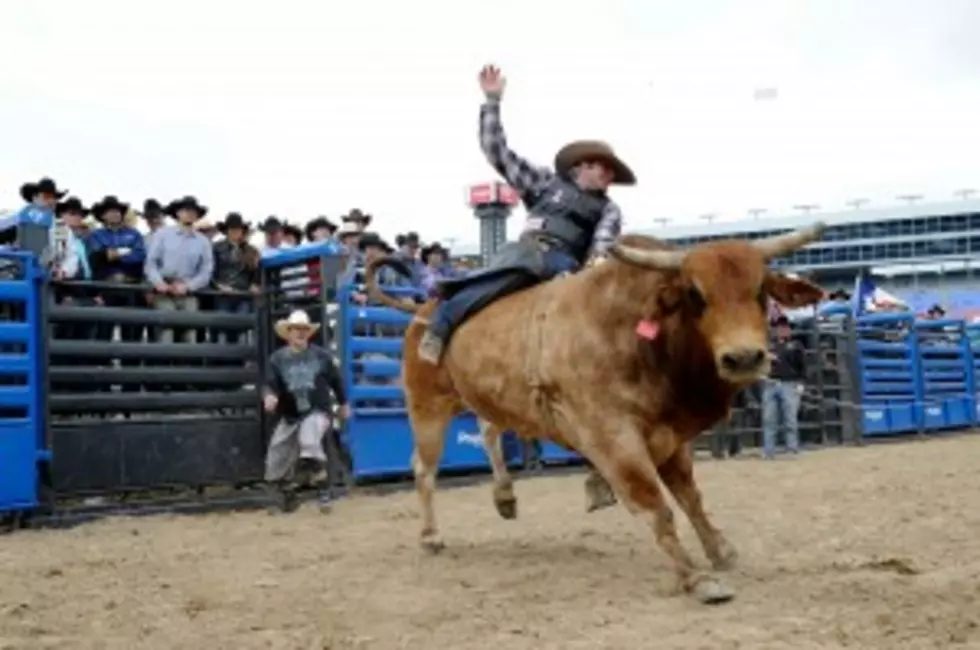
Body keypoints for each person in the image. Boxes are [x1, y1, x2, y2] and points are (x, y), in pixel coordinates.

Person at [417, 64, 635, 364]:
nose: (610, 175)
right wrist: (492, 102)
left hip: (567, 265)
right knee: (512, 271)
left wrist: (590, 277)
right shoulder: (546, 181)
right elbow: (499, 154)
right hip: (524, 253)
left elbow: (601, 250)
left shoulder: (609, 209)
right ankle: (442, 325)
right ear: (584, 165)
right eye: (605, 167)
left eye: (612, 171)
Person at [263, 310, 350, 513]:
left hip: (317, 410)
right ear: (289, 332)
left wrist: (343, 402)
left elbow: (336, 380)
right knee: (276, 455)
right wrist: (270, 395)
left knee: (309, 439)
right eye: (296, 330)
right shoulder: (277, 359)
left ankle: (323, 492)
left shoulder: (321, 356)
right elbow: (269, 383)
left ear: (309, 333)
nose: (300, 333)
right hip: (290, 414)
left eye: (304, 330)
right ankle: (289, 495)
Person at [763, 315, 805, 459]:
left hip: (789, 383)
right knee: (769, 419)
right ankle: (769, 450)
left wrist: (801, 383)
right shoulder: (769, 346)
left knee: (790, 418)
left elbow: (802, 365)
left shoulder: (796, 345)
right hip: (771, 383)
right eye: (779, 327)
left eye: (784, 327)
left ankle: (791, 448)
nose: (782, 330)